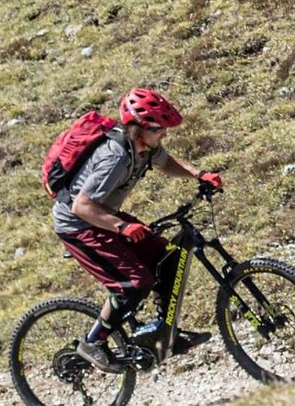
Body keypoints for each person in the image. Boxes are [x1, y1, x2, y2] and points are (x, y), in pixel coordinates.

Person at [51, 87, 224, 373]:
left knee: (167, 258)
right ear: (138, 128)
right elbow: (81, 206)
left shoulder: (144, 148)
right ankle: (93, 343)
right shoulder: (115, 157)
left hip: (103, 215)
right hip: (78, 224)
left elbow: (166, 162)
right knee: (134, 282)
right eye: (158, 129)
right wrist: (122, 226)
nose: (163, 134)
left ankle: (164, 334)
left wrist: (198, 174)